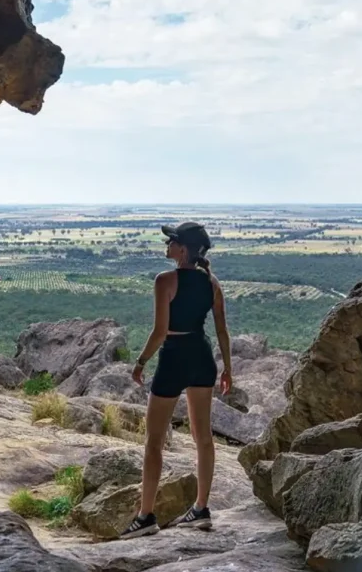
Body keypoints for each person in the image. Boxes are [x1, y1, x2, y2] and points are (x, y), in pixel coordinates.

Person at [118, 221, 232, 539]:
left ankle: (145, 516)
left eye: (171, 241)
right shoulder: (212, 282)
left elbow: (159, 332)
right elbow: (222, 330)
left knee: (154, 442)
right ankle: (201, 509)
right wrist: (228, 369)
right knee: (203, 437)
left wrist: (140, 362)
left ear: (182, 250)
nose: (166, 245)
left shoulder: (164, 280)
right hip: (202, 357)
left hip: (174, 357)